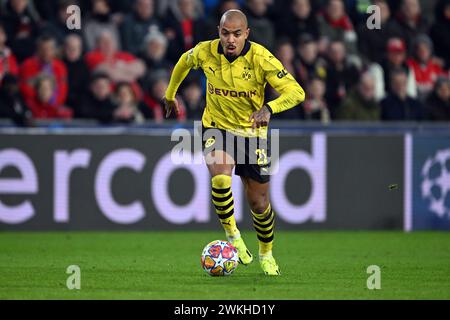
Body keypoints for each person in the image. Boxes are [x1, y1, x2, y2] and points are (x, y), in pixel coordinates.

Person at [163, 9, 305, 275]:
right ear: (219, 31)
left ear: (246, 34)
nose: (230, 39)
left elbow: (297, 92)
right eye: (226, 33)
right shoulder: (206, 51)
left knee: (259, 205)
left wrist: (269, 109)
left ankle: (266, 253)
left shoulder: (261, 58)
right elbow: (184, 61)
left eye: (237, 34)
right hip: (216, 126)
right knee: (220, 178)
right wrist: (170, 93)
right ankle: (233, 237)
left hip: (252, 133)